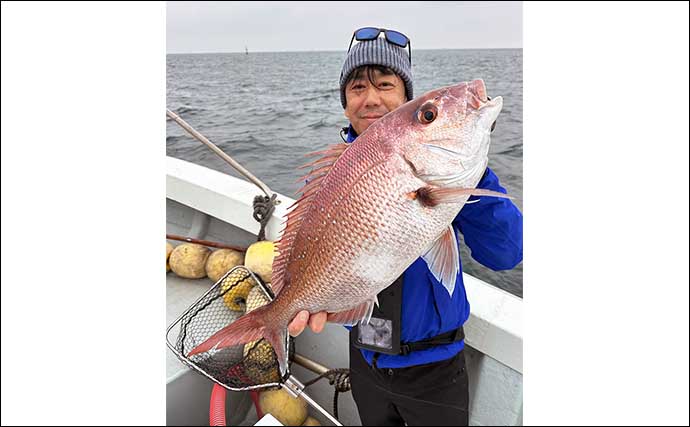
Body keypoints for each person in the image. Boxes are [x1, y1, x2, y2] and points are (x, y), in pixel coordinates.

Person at [288, 27, 523, 426]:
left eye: (385, 84)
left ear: (405, 97)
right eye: (357, 87)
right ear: (345, 103)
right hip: (364, 357)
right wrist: (298, 297)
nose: (372, 98)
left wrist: (473, 176)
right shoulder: (334, 180)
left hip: (436, 367)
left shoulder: (441, 171)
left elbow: (506, 253)